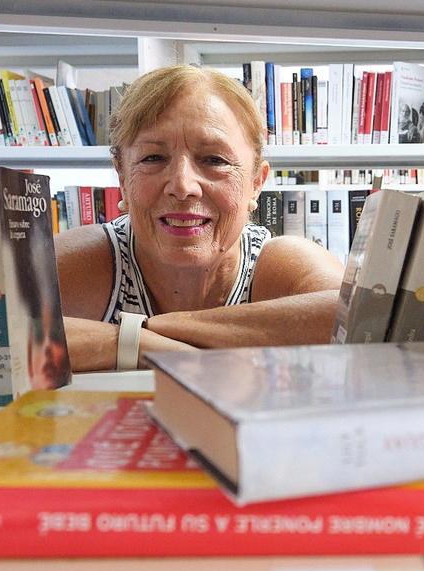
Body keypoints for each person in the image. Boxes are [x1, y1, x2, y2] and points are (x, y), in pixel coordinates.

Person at [55, 65, 344, 371]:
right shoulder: (92, 258)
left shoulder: (276, 262)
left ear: (256, 183)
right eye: (153, 158)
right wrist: (131, 343)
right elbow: (1, 325)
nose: (182, 186)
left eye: (214, 160)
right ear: (123, 179)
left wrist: (149, 332)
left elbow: (361, 320)